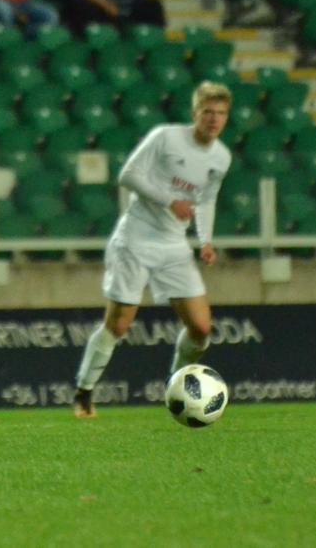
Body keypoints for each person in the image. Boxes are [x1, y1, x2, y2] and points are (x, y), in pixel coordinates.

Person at [72, 82, 232, 419]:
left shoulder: (221, 157)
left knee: (201, 328)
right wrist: (169, 200)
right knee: (118, 325)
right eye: (208, 113)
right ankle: (84, 391)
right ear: (195, 114)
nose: (214, 120)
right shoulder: (166, 137)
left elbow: (207, 200)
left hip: (174, 246)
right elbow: (128, 175)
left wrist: (205, 240)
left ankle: (176, 387)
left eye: (220, 114)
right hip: (135, 240)